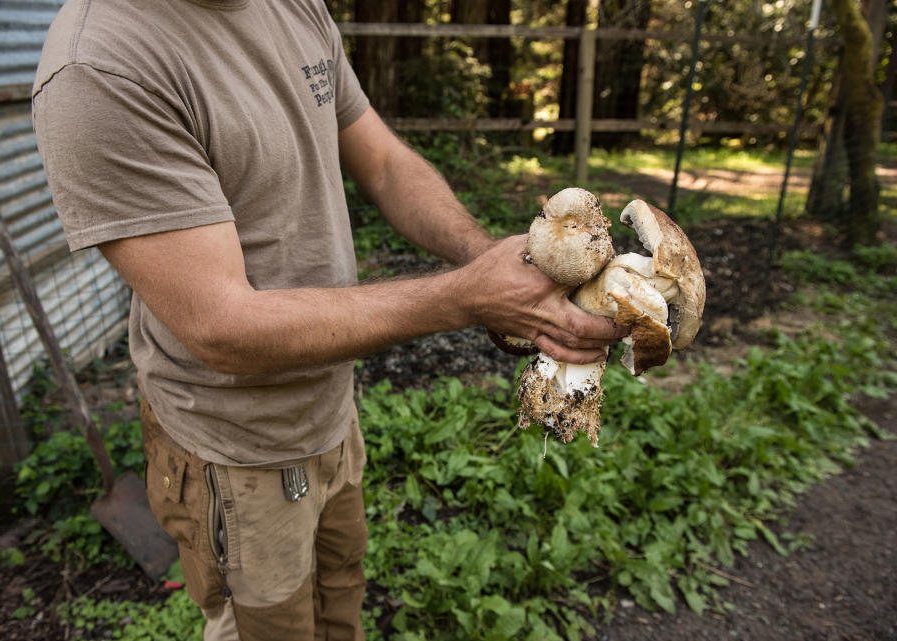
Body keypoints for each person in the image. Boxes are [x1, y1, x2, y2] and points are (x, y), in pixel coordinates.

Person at [32, 0, 625, 639]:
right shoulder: (100, 68)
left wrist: (491, 265)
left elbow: (386, 164)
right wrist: (466, 298)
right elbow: (221, 326)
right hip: (236, 446)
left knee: (341, 598)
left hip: (330, 411)